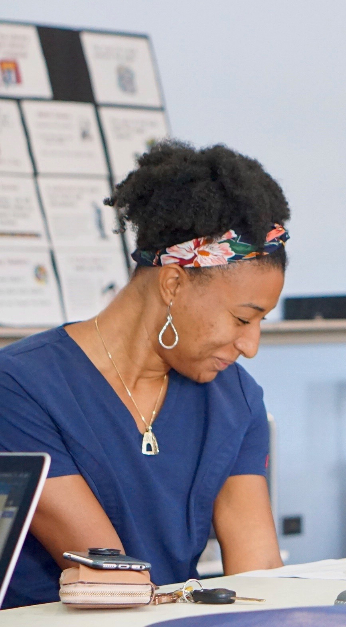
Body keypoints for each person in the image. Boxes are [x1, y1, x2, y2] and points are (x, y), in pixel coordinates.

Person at [0, 141, 289, 608]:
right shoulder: (19, 387)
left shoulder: (235, 398)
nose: (250, 347)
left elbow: (259, 574)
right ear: (173, 283)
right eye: (242, 319)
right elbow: (111, 581)